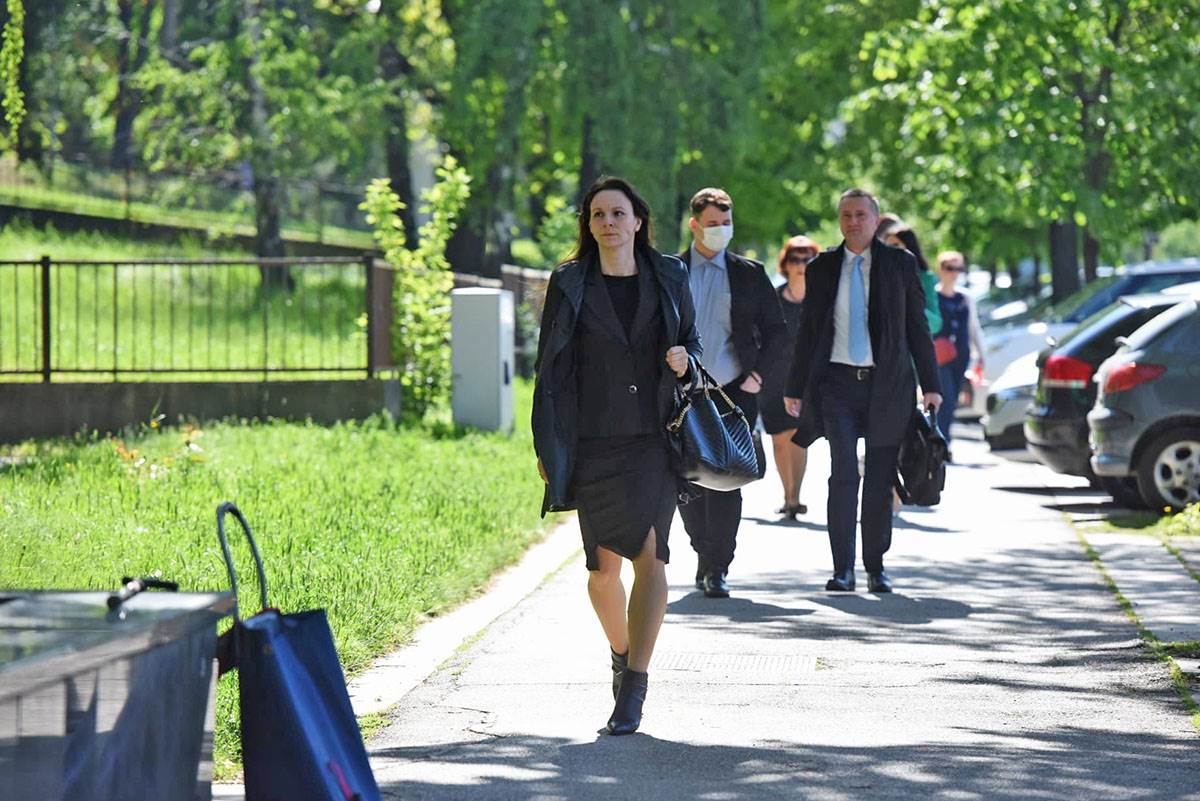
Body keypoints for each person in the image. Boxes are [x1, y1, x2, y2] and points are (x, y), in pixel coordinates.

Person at [531, 176, 702, 735]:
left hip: (654, 438)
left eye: (618, 213)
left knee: (652, 555)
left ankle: (635, 686)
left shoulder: (670, 275)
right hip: (593, 440)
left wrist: (685, 360)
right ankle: (622, 652)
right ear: (589, 224)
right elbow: (549, 370)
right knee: (603, 572)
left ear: (638, 221)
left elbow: (693, 342)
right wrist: (546, 444)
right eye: (598, 214)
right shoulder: (569, 282)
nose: (608, 222)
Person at [784, 188, 942, 593]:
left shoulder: (900, 264)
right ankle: (843, 569)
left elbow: (917, 327)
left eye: (860, 215)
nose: (853, 222)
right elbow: (808, 332)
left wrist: (931, 385)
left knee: (879, 477)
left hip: (887, 386)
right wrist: (795, 385)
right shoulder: (823, 267)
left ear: (875, 219)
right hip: (837, 386)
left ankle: (875, 565)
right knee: (842, 474)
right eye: (846, 215)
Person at [676, 187, 787, 598]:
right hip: (681, 395)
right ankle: (702, 551)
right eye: (712, 224)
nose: (720, 230)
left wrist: (757, 376)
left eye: (726, 223)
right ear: (694, 225)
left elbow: (777, 332)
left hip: (733, 394)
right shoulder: (672, 270)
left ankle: (717, 566)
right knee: (686, 479)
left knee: (726, 479)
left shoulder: (748, 273)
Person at [759, 235, 819, 519]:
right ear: (786, 263)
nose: (801, 265)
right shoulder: (773, 298)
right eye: (795, 259)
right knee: (780, 440)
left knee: (799, 437)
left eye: (807, 259)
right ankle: (787, 494)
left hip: (806, 379)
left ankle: (795, 497)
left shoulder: (821, 300)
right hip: (773, 378)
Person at [932, 249, 985, 454]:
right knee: (944, 397)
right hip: (939, 357)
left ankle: (943, 441)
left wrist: (981, 355)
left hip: (961, 355)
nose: (954, 273)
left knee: (953, 400)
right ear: (940, 269)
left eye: (958, 268)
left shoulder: (965, 298)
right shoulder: (933, 296)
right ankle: (941, 443)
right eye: (949, 268)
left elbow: (974, 328)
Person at [882, 224, 942, 335]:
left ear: (909, 247)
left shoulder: (926, 278)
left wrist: (911, 304)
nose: (890, 251)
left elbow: (936, 324)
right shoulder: (879, 277)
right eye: (886, 246)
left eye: (895, 245)